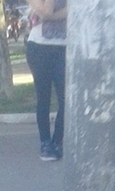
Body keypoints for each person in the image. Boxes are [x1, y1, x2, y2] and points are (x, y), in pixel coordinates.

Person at [25, 0, 67, 161]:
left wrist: (50, 16)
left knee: (65, 99)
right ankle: (45, 142)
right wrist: (53, 15)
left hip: (63, 47)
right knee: (43, 97)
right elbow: (47, 12)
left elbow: (71, 11)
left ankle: (57, 141)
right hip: (39, 47)